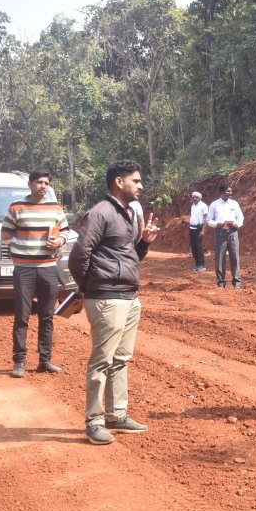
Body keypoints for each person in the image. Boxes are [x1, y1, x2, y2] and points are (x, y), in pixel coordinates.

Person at [69, 159, 160, 446]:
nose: (141, 186)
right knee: (102, 360)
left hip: (128, 297)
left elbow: (126, 258)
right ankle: (94, 421)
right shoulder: (100, 213)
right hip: (107, 298)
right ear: (119, 182)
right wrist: (89, 287)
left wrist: (143, 243)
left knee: (120, 359)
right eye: (136, 180)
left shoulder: (127, 214)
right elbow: (78, 256)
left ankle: (116, 415)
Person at [1, 169, 70, 378]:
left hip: (48, 269)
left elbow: (65, 231)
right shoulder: (16, 207)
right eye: (39, 182)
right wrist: (21, 251)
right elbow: (5, 235)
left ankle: (44, 360)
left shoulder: (56, 208)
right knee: (22, 315)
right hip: (23, 269)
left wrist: (59, 241)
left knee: (47, 316)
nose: (43, 186)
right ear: (30, 184)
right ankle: (19, 362)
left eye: (46, 183)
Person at [207, 183, 244, 289]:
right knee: (220, 258)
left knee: (235, 257)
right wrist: (216, 224)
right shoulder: (214, 205)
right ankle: (221, 283)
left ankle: (237, 283)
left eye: (230, 191)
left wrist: (237, 224)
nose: (230, 193)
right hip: (220, 232)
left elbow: (240, 217)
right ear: (222, 192)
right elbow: (209, 220)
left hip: (233, 232)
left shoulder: (234, 204)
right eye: (228, 191)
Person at [188, 191, 208, 271]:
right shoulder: (193, 205)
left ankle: (201, 265)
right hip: (191, 228)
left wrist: (203, 230)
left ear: (200, 198)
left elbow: (206, 219)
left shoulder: (204, 206)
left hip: (199, 228)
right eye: (193, 197)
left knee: (199, 247)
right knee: (193, 246)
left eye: (196, 197)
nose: (194, 198)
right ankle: (196, 264)